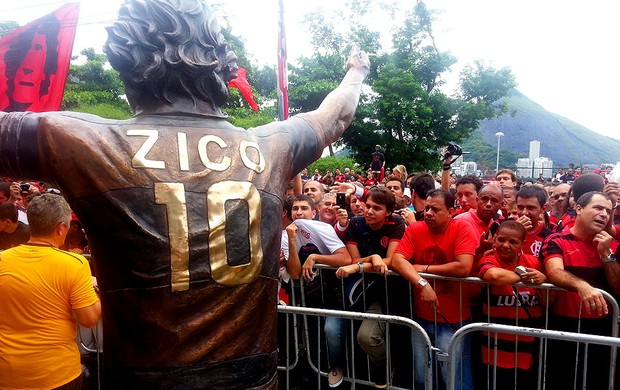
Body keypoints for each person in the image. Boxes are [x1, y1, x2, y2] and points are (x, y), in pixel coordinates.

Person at [0, 1, 370, 387]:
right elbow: (336, 116)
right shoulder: (272, 146)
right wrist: (356, 73)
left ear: (127, 62)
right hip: (254, 378)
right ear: (220, 63)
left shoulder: (82, 141)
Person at [0, 193, 101, 389]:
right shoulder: (74, 264)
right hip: (56, 374)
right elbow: (88, 318)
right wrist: (97, 293)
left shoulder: (2, 259)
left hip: (8, 372)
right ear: (61, 228)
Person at [391, 189, 478, 390]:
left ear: (451, 211)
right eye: (427, 208)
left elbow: (463, 267)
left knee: (454, 377)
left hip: (454, 320)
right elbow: (397, 260)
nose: (428, 212)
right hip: (421, 318)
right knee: (422, 375)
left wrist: (424, 269)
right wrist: (423, 284)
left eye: (435, 209)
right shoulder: (416, 229)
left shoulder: (462, 227)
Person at [541, 191, 620, 389]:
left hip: (603, 329)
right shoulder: (556, 240)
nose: (604, 214)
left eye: (608, 211)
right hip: (563, 327)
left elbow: (618, 288)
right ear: (578, 208)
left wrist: (606, 256)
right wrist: (582, 285)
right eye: (598, 208)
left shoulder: (612, 245)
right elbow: (554, 271)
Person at [335, 187, 405, 387]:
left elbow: (391, 260)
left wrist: (358, 266)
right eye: (368, 206)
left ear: (388, 212)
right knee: (357, 338)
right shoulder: (355, 223)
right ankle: (377, 369)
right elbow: (354, 258)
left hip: (389, 292)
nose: (369, 211)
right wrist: (373, 259)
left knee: (367, 337)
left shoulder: (396, 223)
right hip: (360, 291)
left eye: (377, 208)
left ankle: (387, 369)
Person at [287, 195, 352, 388]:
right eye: (295, 208)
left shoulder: (322, 228)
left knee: (331, 331)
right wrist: (291, 240)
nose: (299, 212)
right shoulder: (288, 233)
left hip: (334, 295)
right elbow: (295, 273)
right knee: (311, 337)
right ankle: (316, 373)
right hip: (309, 298)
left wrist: (315, 257)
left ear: (314, 213)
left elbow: (345, 258)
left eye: (304, 208)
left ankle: (336, 366)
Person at [476, 221, 546, 389]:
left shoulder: (534, 263)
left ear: (523, 244)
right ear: (494, 240)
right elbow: (493, 276)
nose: (505, 245)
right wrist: (524, 276)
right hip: (496, 344)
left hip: (528, 342)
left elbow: (547, 300)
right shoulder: (488, 259)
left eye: (513, 242)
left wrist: (544, 279)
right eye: (501, 240)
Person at [514, 185, 552, 257]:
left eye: (530, 208)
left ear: (543, 209)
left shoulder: (548, 237)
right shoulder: (504, 227)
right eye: (520, 207)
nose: (524, 212)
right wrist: (515, 231)